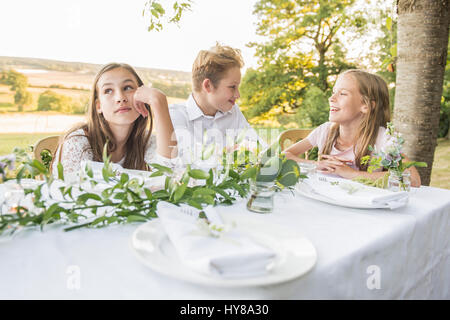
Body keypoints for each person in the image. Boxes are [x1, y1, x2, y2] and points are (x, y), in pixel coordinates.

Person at [284, 69, 421, 187]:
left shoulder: (381, 138)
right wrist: (315, 165)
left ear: (366, 106)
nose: (331, 98)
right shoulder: (325, 131)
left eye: (342, 93)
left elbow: (413, 179)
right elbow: (285, 156)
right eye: (333, 92)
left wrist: (351, 174)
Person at [136, 44, 266, 164]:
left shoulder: (233, 112)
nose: (238, 95)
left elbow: (258, 147)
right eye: (232, 87)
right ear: (208, 85)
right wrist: (230, 153)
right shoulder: (174, 116)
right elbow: (183, 163)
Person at [51, 63, 177, 177]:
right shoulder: (78, 142)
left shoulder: (145, 142)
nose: (120, 98)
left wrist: (159, 103)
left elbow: (169, 174)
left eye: (127, 88)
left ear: (142, 96)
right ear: (98, 106)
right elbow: (71, 196)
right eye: (108, 90)